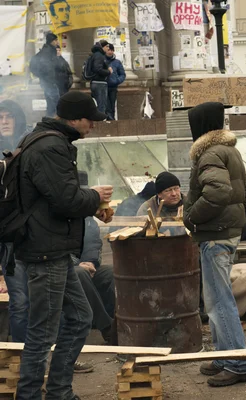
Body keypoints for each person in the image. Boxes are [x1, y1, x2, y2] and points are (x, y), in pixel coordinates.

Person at [14, 91, 113, 400]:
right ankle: (31, 396)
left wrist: (90, 204)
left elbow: (53, 197)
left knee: (81, 317)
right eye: (90, 120)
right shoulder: (50, 147)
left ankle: (59, 392)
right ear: (73, 119)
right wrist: (95, 196)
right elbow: (65, 200)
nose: (93, 126)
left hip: (53, 249)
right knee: (42, 333)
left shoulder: (44, 140)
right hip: (46, 251)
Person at [184, 102, 246, 387]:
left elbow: (218, 191)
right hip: (227, 231)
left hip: (215, 234)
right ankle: (225, 356)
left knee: (219, 302)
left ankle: (238, 363)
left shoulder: (210, 154)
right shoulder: (229, 150)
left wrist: (191, 216)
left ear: (198, 127)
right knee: (215, 300)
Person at [74, 171, 115, 347]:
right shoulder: (60, 214)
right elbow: (53, 247)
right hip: (61, 266)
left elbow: (92, 241)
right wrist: (77, 264)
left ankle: (116, 320)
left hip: (84, 264)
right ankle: (107, 327)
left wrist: (90, 261)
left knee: (110, 273)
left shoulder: (87, 216)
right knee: (80, 274)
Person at [0, 100, 29, 344]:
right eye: (1, 117)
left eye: (9, 116)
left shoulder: (28, 147)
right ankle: (21, 359)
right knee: (20, 302)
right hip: (8, 241)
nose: (5, 121)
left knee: (47, 303)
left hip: (34, 235)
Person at [35, 32, 61, 117]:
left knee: (51, 104)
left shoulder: (47, 50)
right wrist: (51, 80)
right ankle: (55, 121)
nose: (57, 42)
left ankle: (49, 120)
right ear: (52, 41)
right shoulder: (48, 51)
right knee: (56, 104)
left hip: (47, 82)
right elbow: (48, 67)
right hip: (49, 82)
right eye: (56, 40)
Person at [88, 40, 112, 114]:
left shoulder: (96, 54)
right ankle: (100, 123)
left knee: (99, 104)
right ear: (102, 47)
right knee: (101, 105)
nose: (108, 48)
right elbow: (97, 69)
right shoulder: (99, 55)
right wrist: (109, 71)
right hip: (99, 83)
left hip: (96, 82)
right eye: (107, 46)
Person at [105, 44, 126, 121]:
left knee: (112, 105)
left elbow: (122, 74)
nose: (110, 52)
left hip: (113, 87)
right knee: (107, 106)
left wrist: (117, 81)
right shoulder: (102, 61)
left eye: (111, 50)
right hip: (104, 86)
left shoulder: (117, 62)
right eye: (108, 50)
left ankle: (111, 120)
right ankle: (110, 119)